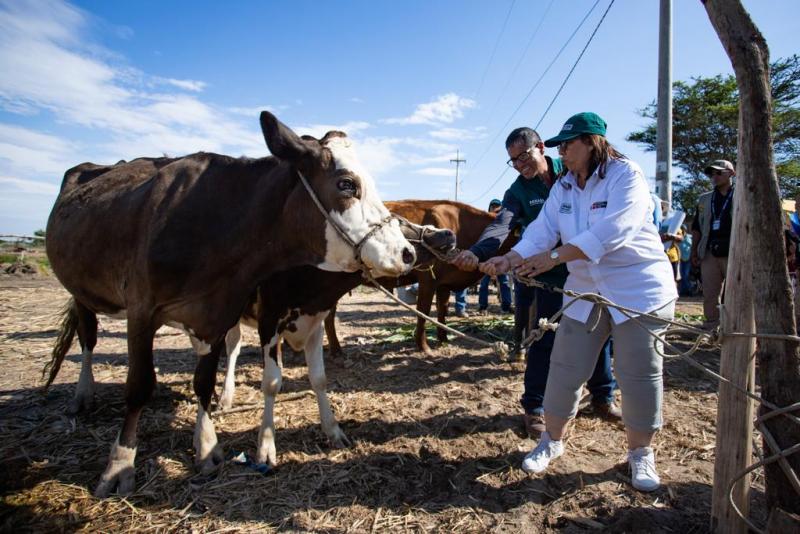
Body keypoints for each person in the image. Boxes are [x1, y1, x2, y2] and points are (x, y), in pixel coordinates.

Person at [480, 112, 677, 492]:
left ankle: (640, 453)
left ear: (591, 142)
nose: (561, 152)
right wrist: (512, 258)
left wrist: (555, 258)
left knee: (639, 375)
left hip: (638, 289)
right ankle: (551, 440)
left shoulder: (624, 175)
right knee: (565, 367)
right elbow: (542, 230)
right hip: (585, 291)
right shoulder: (565, 187)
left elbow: (617, 228)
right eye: (558, 145)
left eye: (567, 144)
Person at [451, 125, 620, 439]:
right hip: (544, 275)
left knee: (599, 334)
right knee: (542, 340)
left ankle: (602, 397)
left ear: (541, 147)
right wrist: (477, 252)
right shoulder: (517, 192)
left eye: (524, 156)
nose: (520, 165)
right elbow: (502, 225)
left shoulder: (571, 170)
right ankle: (534, 408)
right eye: (513, 161)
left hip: (586, 271)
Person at [690, 159, 735, 329]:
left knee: (734, 293)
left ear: (731, 173)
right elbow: (696, 227)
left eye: (718, 172)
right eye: (711, 174)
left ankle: (733, 328)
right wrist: (695, 251)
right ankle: (712, 328)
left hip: (734, 252)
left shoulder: (742, 195)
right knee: (710, 293)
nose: (714, 176)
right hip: (709, 252)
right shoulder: (704, 199)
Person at [478, 199, 513, 314]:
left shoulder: (506, 222)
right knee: (484, 284)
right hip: (486, 259)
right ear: (489, 208)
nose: (495, 209)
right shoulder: (484, 222)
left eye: (498, 207)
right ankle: (483, 307)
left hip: (502, 258)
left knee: (504, 283)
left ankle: (506, 306)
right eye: (493, 206)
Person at [678, 225, 694, 296]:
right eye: (681, 229)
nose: (682, 231)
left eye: (683, 229)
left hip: (688, 259)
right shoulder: (678, 238)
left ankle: (689, 291)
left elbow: (693, 246)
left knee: (686, 275)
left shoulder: (690, 237)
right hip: (681, 259)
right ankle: (683, 291)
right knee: (681, 276)